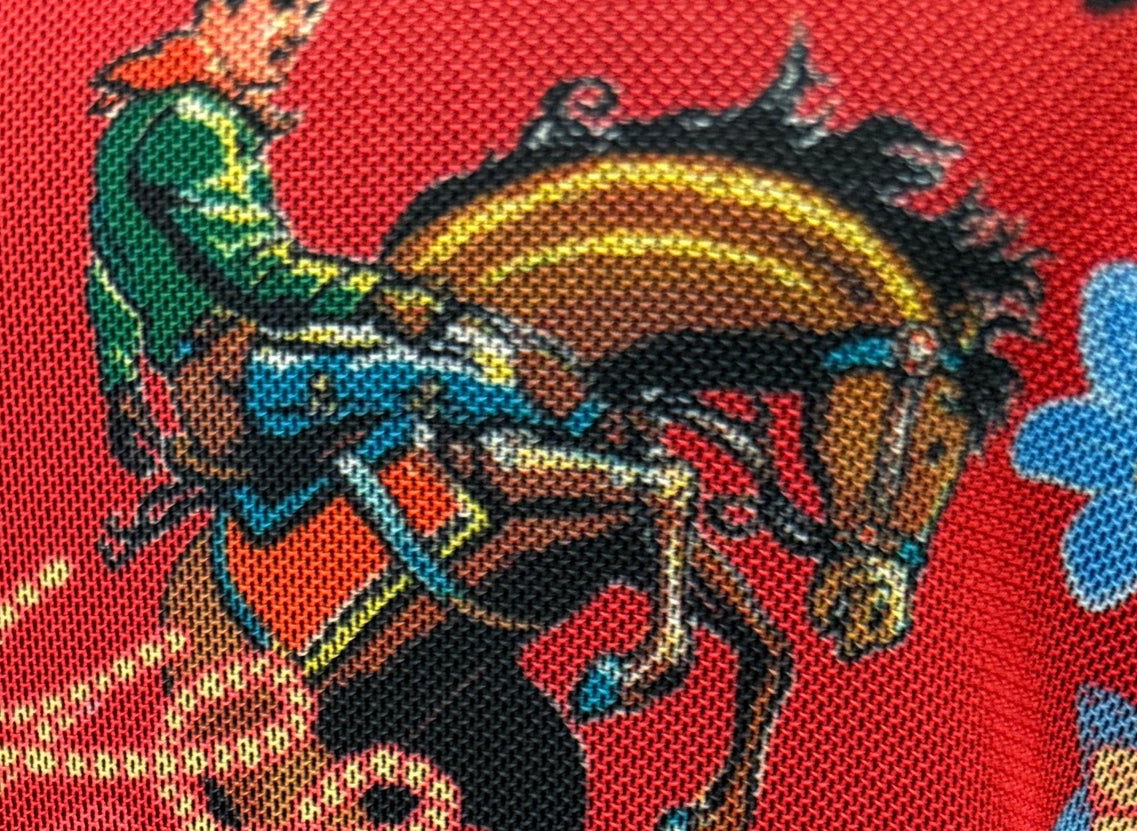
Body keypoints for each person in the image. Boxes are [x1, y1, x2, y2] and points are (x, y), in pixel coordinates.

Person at [86, 0, 702, 707]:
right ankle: (641, 509)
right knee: (484, 377)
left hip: (216, 381)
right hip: (249, 374)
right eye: (281, 7)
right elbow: (256, 271)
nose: (298, 32)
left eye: (310, 11)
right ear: (219, 10)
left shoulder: (136, 116)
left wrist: (121, 382)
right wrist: (388, 301)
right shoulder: (196, 122)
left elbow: (107, 273)